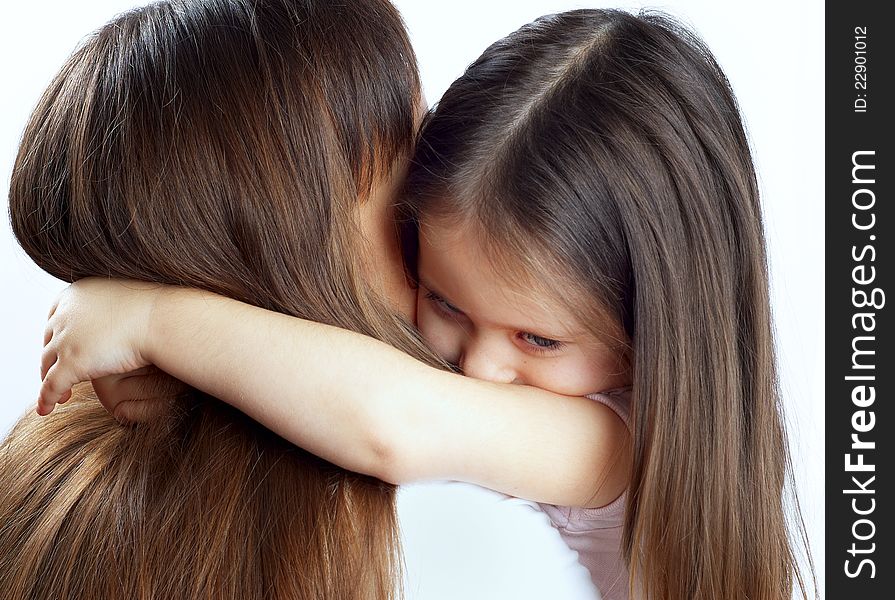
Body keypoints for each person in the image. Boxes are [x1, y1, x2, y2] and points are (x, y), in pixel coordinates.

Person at [34, 8, 812, 600]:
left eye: (537, 340)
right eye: (442, 298)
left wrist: (155, 320)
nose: (476, 365)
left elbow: (391, 425)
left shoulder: (607, 440)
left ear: (650, 336)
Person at [2, 1, 599, 598]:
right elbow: (393, 420)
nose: (446, 196)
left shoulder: (50, 475)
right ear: (304, 247)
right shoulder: (421, 513)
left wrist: (155, 323)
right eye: (410, 176)